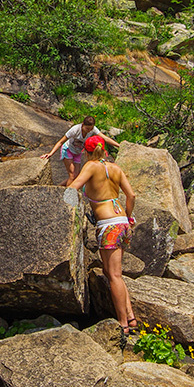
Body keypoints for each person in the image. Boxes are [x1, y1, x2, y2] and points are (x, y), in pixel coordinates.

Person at [68, 134, 138, 337]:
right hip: (122, 223)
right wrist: (130, 216)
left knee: (114, 275)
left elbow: (73, 188)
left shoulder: (90, 166)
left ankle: (123, 324)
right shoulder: (115, 168)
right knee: (113, 273)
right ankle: (131, 316)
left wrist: (69, 207)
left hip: (108, 225)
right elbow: (131, 195)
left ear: (87, 152)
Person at [42, 116, 121, 186]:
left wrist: (119, 146)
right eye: (87, 128)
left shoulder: (93, 129)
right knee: (72, 175)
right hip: (68, 150)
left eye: (91, 129)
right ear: (82, 124)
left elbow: (105, 138)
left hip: (77, 152)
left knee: (76, 177)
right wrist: (50, 153)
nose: (89, 131)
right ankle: (67, 196)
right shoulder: (75, 130)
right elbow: (60, 142)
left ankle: (58, 188)